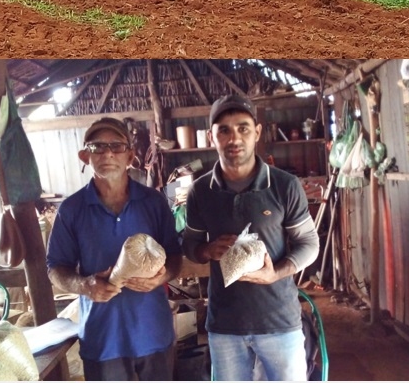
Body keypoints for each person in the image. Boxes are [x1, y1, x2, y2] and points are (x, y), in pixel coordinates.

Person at [182, 94, 320, 380]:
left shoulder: (284, 185)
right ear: (212, 137)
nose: (234, 138)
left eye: (243, 128)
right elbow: (190, 246)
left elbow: (310, 244)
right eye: (224, 130)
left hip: (279, 321)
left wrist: (275, 273)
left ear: (257, 132)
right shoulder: (200, 191)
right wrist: (207, 250)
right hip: (224, 325)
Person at [47, 117, 182, 381]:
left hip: (153, 333)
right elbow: (55, 268)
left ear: (130, 155)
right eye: (97, 147)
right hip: (103, 338)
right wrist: (85, 285)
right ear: (85, 156)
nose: (108, 153)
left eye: (117, 146)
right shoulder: (71, 210)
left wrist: (161, 278)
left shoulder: (153, 202)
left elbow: (176, 258)